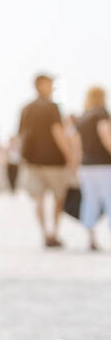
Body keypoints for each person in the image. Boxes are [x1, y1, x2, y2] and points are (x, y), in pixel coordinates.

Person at [16, 73, 75, 248]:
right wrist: (69, 156)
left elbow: (21, 135)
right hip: (54, 162)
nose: (52, 87)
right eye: (49, 84)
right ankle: (54, 232)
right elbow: (58, 132)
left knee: (39, 199)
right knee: (59, 197)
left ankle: (44, 233)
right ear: (41, 85)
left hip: (33, 162)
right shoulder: (52, 107)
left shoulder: (26, 108)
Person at [73, 86, 111, 251]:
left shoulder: (83, 117)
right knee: (109, 200)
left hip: (85, 166)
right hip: (104, 164)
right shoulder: (102, 113)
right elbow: (104, 134)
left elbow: (75, 143)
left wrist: (75, 164)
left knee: (90, 200)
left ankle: (91, 238)